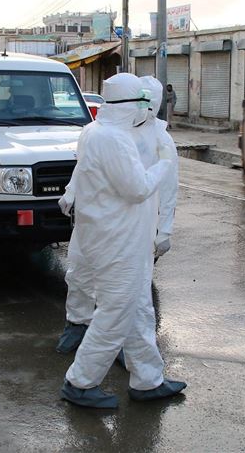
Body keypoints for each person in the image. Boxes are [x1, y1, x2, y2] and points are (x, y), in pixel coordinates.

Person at [59, 73, 184, 408]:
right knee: (116, 311)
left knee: (138, 309)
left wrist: (162, 230)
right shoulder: (112, 138)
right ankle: (81, 382)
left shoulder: (105, 132)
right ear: (132, 104)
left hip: (126, 237)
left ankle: (148, 379)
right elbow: (138, 188)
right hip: (119, 241)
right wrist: (163, 164)